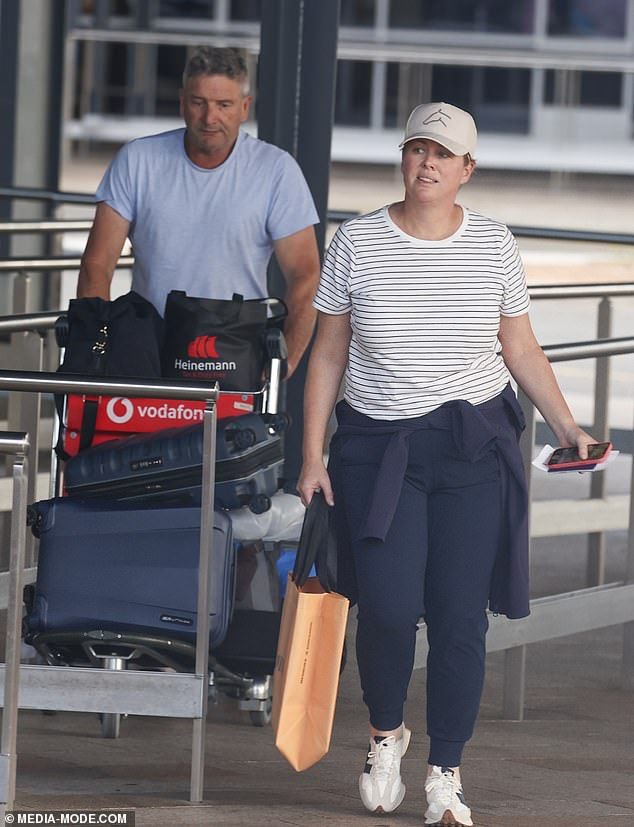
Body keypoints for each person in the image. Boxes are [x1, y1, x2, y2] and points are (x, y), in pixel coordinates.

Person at [297, 102, 595, 826]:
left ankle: (446, 772)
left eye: (443, 154)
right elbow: (328, 351)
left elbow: (519, 346)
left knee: (462, 617)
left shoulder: (493, 244)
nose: (427, 163)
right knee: (390, 608)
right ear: (403, 158)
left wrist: (568, 426)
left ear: (467, 169)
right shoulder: (357, 241)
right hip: (379, 450)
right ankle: (385, 734)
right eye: (417, 149)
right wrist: (311, 454)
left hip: (471, 450)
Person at [77, 46, 320, 378]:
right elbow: (97, 264)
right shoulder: (138, 160)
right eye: (198, 102)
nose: (209, 118)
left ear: (244, 107)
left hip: (236, 351)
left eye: (224, 105)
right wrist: (98, 352)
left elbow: (306, 274)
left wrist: (285, 363)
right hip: (148, 348)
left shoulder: (276, 170)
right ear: (182, 103)